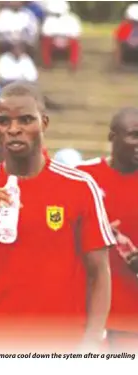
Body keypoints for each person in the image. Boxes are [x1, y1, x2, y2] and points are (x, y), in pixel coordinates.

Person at [0, 81, 115, 353]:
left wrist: (91, 342)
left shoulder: (80, 187)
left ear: (44, 122)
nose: (14, 129)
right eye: (4, 121)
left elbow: (99, 273)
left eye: (26, 120)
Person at [76, 107, 138, 352]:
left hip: (131, 316)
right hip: (84, 312)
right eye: (134, 135)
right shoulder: (82, 178)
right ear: (112, 137)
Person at [41, 1, 82, 71]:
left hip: (67, 41)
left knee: (75, 42)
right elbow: (45, 33)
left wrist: (64, 38)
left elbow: (76, 33)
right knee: (45, 41)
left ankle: (73, 63)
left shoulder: (72, 19)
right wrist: (57, 37)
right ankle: (47, 63)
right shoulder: (48, 19)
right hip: (53, 41)